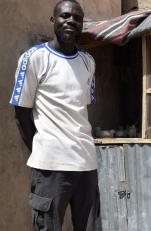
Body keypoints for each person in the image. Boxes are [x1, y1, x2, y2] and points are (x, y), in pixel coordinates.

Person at [9, 0, 98, 230]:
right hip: (50, 168)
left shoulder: (88, 62)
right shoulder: (34, 58)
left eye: (77, 18)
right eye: (65, 16)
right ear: (53, 20)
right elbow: (21, 114)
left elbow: (80, 110)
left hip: (86, 165)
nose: (71, 21)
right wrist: (43, 149)